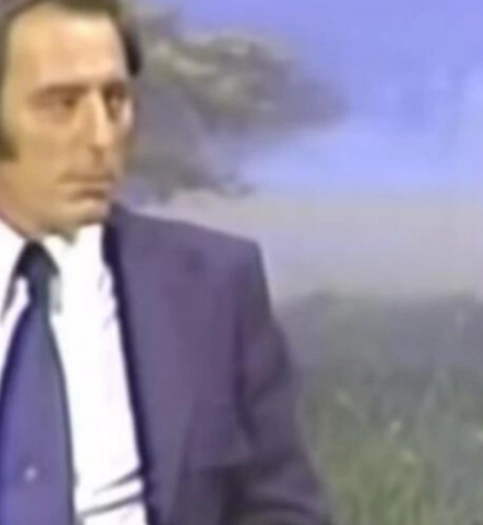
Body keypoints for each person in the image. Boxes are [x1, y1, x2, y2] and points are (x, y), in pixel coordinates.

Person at [0, 0, 333, 523]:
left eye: (115, 100)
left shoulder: (216, 290)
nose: (101, 138)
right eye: (62, 105)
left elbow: (283, 509)